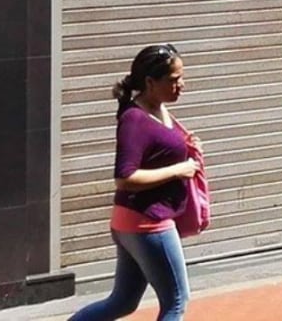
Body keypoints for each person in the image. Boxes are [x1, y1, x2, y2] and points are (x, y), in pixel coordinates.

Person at [67, 45, 200, 321]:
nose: (181, 85)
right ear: (150, 82)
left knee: (123, 301)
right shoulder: (134, 119)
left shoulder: (158, 109)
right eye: (173, 80)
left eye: (182, 77)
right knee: (176, 301)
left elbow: (156, 150)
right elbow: (125, 177)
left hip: (134, 222)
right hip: (148, 224)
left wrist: (184, 147)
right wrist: (178, 169)